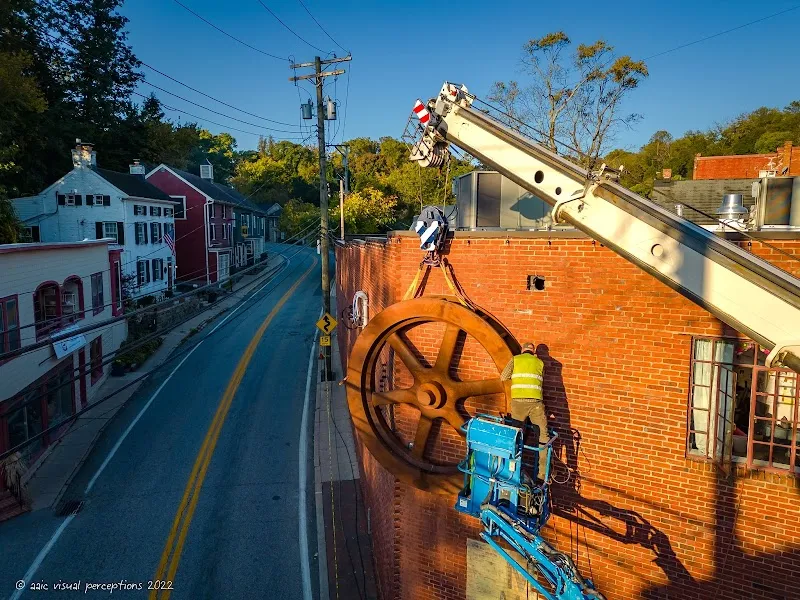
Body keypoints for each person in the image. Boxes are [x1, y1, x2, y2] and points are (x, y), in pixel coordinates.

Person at [501, 342, 549, 482]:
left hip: (518, 403)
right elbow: (541, 380)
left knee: (516, 435)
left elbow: (503, 377)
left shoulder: (515, 360)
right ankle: (543, 474)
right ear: (533, 352)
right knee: (543, 436)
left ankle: (512, 469)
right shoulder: (540, 363)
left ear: (522, 350)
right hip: (536, 404)